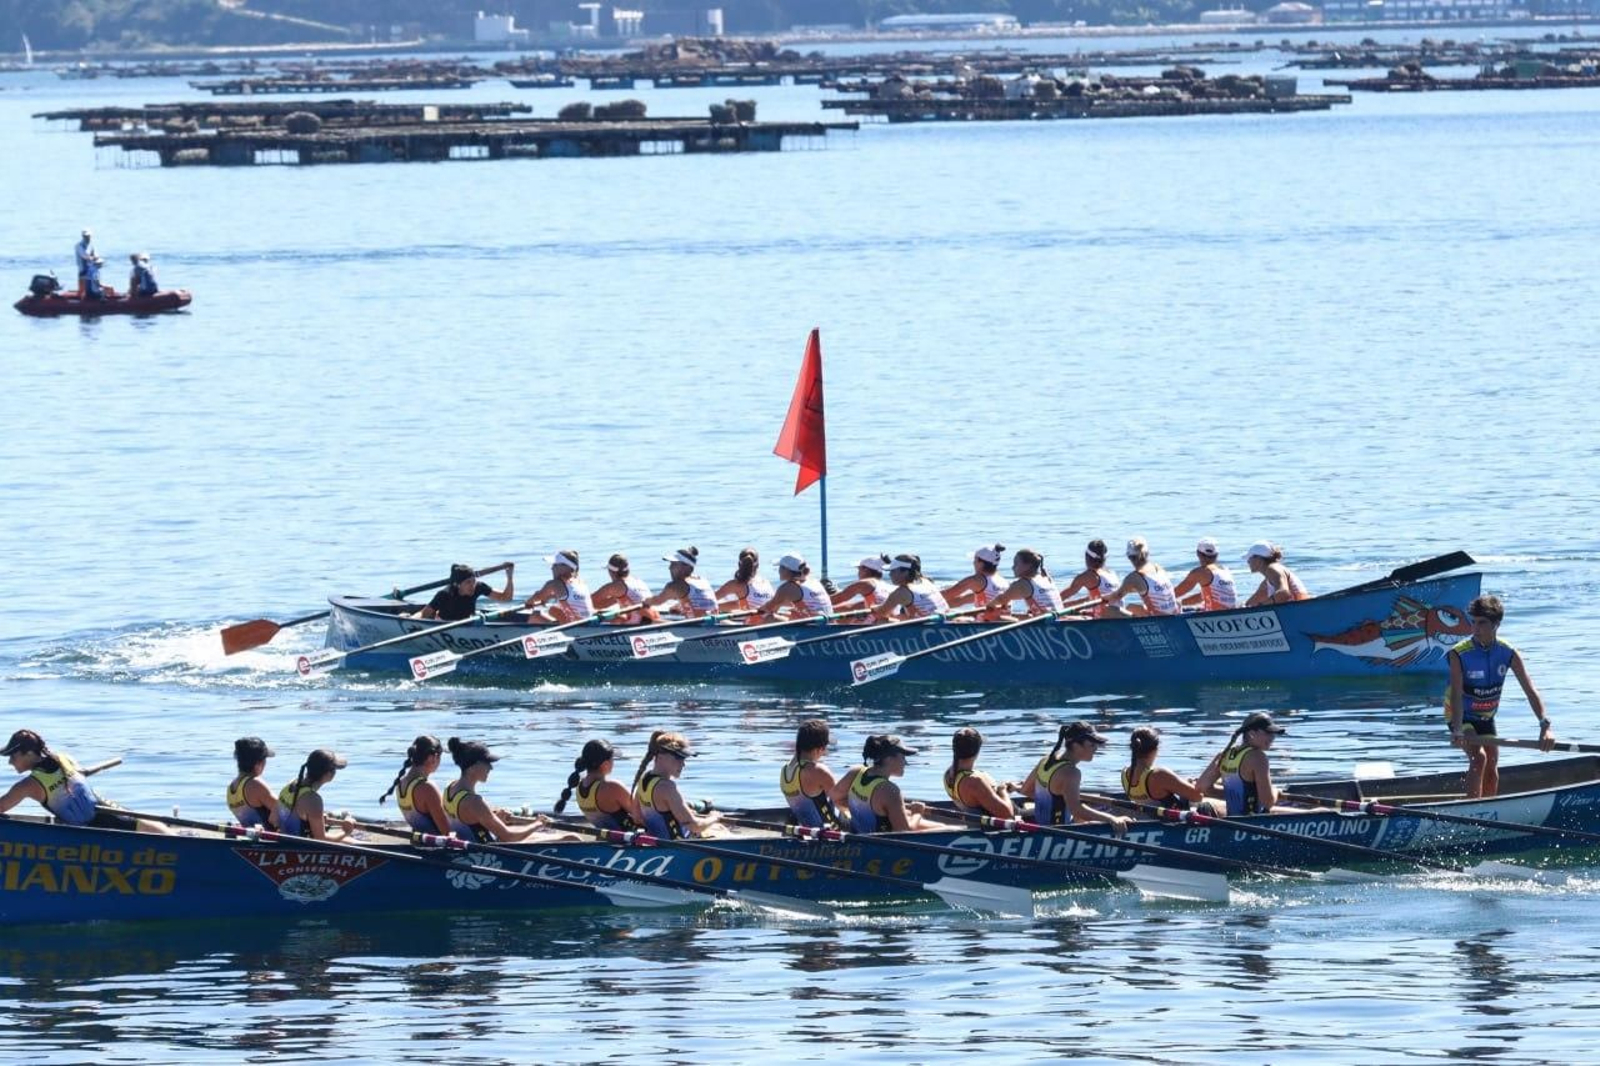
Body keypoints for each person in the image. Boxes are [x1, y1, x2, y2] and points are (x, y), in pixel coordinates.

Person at [1446, 594, 1555, 798]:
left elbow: (1530, 690)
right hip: (1460, 713)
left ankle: (1489, 810)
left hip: (1486, 716)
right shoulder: (1459, 653)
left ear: (1496, 624)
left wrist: (1545, 726)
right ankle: (1472, 813)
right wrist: (1458, 729)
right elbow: (1456, 695)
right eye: (1473, 622)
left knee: (1492, 761)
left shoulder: (1508, 653)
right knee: (1479, 758)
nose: (1475, 628)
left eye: (1482, 623)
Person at [0, 730, 169, 834]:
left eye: (13, 757)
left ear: (29, 753)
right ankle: (173, 835)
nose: (10, 762)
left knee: (137, 825)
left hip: (88, 829)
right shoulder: (64, 758)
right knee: (144, 825)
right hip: (104, 809)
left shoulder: (27, 786)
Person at [1019, 721, 1131, 832]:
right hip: (1058, 832)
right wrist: (1112, 819)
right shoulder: (1071, 773)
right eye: (1092, 745)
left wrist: (1054, 801)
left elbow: (1026, 790)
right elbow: (1077, 810)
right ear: (1075, 745)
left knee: (1096, 812)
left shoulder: (1046, 760)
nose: (1096, 748)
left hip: (1042, 825)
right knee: (1112, 816)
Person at [441, 737, 546, 843]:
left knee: (532, 833)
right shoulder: (473, 801)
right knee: (559, 838)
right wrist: (538, 824)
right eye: (487, 763)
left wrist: (495, 817)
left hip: (470, 845)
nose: (491, 768)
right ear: (473, 767)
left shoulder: (450, 787)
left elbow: (471, 818)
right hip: (486, 852)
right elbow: (509, 837)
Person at [1195, 712, 1293, 815]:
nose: (1272, 737)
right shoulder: (1258, 757)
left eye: (1273, 734)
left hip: (1232, 821)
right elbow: (1267, 802)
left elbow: (1202, 787)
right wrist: (1275, 791)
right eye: (1268, 733)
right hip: (1255, 822)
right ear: (1251, 733)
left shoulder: (1225, 754)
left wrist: (1235, 794)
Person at [631, 731, 722, 838]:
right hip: (680, 845)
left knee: (716, 828)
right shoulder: (667, 787)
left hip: (660, 843)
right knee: (719, 827)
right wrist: (714, 817)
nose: (683, 764)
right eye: (678, 758)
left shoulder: (644, 779)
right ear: (660, 757)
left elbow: (637, 818)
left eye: (683, 758)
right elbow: (695, 826)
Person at [555, 738, 646, 831]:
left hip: (606, 838)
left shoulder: (579, 786)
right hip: (628, 842)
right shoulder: (612, 787)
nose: (613, 762)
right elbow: (640, 816)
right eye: (612, 759)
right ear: (605, 764)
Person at [1121, 727, 1218, 813]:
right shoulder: (1158, 775)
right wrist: (1192, 785)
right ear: (1156, 749)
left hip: (1150, 819)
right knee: (1214, 803)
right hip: (1173, 824)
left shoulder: (1124, 773)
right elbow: (1198, 796)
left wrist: (1184, 783)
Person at [847, 734, 928, 832]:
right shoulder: (890, 790)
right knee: (950, 829)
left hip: (859, 836)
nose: (906, 762)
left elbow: (836, 797)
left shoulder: (857, 773)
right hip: (881, 844)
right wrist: (917, 813)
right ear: (889, 759)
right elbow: (904, 832)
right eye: (903, 757)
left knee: (938, 825)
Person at [276, 749, 356, 841]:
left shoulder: (291, 784)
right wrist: (346, 831)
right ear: (329, 774)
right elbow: (321, 839)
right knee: (351, 841)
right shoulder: (313, 799)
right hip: (301, 847)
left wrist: (314, 818)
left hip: (284, 838)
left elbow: (272, 818)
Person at [378, 734, 450, 835]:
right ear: (432, 758)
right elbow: (446, 832)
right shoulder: (427, 788)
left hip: (419, 841)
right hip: (434, 846)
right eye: (440, 757)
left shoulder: (400, 783)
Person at [780, 718, 845, 828]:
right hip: (828, 834)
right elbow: (842, 802)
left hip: (805, 829)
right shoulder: (818, 771)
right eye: (825, 748)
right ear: (820, 748)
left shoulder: (785, 770)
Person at [943, 727, 1018, 819]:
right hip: (989, 827)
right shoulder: (973, 782)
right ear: (977, 751)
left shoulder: (948, 774)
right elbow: (1007, 814)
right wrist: (1002, 790)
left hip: (973, 821)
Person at [1100, 537, 1181, 618]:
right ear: (1147, 553)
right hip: (1175, 613)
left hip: (1159, 619)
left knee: (1109, 610)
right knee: (1131, 607)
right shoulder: (1158, 568)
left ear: (1129, 557)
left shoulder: (1134, 578)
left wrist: (1102, 598)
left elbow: (1116, 597)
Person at [416, 562, 515, 621]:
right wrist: (410, 618)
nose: (472, 585)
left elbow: (506, 598)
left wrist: (509, 577)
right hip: (444, 625)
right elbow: (424, 614)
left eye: (473, 581)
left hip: (467, 622)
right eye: (468, 582)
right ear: (458, 584)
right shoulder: (445, 594)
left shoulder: (478, 587)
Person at [984, 548, 1064, 618]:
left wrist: (988, 607)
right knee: (1022, 615)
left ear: (1028, 565)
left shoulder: (1023, 584)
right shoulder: (1046, 578)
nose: (1013, 567)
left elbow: (1001, 599)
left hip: (1046, 623)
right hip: (1057, 617)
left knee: (991, 616)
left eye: (1016, 563)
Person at [645, 547, 723, 619]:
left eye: (673, 564)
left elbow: (657, 601)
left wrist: (644, 601)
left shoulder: (676, 586)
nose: (669, 568)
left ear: (685, 567)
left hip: (697, 626)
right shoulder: (702, 580)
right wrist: (680, 606)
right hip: (713, 620)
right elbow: (699, 601)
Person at [751, 552, 833, 620]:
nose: (778, 570)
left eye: (780, 567)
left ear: (786, 570)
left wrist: (754, 613)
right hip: (828, 621)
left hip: (814, 627)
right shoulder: (814, 581)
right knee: (791, 612)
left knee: (769, 618)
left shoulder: (788, 588)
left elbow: (768, 608)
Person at [522, 550, 594, 624]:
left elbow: (537, 597)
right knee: (553, 609)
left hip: (575, 626)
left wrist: (528, 604)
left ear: (565, 567)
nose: (552, 568)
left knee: (535, 615)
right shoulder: (581, 582)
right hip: (588, 622)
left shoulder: (554, 584)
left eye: (555, 565)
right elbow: (570, 596)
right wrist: (550, 597)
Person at [871, 554, 950, 621]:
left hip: (926, 627)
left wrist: (874, 608)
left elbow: (880, 614)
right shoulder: (926, 581)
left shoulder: (901, 592)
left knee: (880, 621)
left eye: (893, 571)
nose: (890, 574)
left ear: (905, 572)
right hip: (943, 620)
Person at [1173, 537, 1240, 613]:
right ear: (1217, 555)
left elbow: (1175, 593)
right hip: (1231, 613)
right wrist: (1181, 603)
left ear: (1198, 553)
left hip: (1214, 616)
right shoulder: (1225, 570)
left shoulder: (1200, 572)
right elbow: (1201, 597)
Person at [227, 736, 278, 829]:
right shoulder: (255, 784)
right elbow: (285, 811)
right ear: (258, 764)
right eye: (265, 760)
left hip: (254, 836)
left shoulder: (231, 788)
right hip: (271, 840)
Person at [941, 544, 1007, 615]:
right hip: (1003, 618)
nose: (973, 563)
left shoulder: (976, 580)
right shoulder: (1003, 581)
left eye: (975, 560)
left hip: (987, 622)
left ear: (980, 563)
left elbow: (946, 594)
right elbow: (962, 600)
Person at [1058, 539, 1119, 615]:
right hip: (1117, 614)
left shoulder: (1087, 576)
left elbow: (1057, 599)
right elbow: (1093, 599)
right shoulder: (1111, 573)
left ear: (1087, 556)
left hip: (1104, 619)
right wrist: (1065, 606)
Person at [591, 554, 655, 624]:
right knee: (612, 615)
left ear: (611, 572)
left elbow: (589, 602)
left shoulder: (616, 586)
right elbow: (600, 605)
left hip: (637, 624)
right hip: (651, 618)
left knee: (603, 618)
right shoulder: (639, 582)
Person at [1242, 542, 1312, 605]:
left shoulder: (1273, 568)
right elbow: (1250, 603)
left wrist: (1262, 606)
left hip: (1299, 608)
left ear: (1259, 559)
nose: (1248, 562)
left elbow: (1284, 593)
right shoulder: (1268, 580)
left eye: (1249, 558)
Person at [715, 548, 777, 614]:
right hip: (767, 618)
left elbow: (709, 601)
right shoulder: (766, 583)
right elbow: (741, 604)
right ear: (758, 565)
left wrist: (715, 607)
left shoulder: (736, 584)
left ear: (739, 564)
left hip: (752, 621)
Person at [828, 554, 894, 616]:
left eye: (859, 569)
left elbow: (838, 598)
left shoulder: (866, 583)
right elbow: (853, 606)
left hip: (876, 622)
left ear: (865, 569)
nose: (858, 573)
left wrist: (822, 598)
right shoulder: (887, 586)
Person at [75, 229, 96, 297]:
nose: (87, 237)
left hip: (91, 270)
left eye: (88, 236)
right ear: (83, 236)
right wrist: (93, 258)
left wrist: (94, 257)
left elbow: (95, 254)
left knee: (91, 288)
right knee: (82, 290)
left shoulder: (91, 245)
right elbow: (84, 256)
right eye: (85, 236)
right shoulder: (79, 246)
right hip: (83, 270)